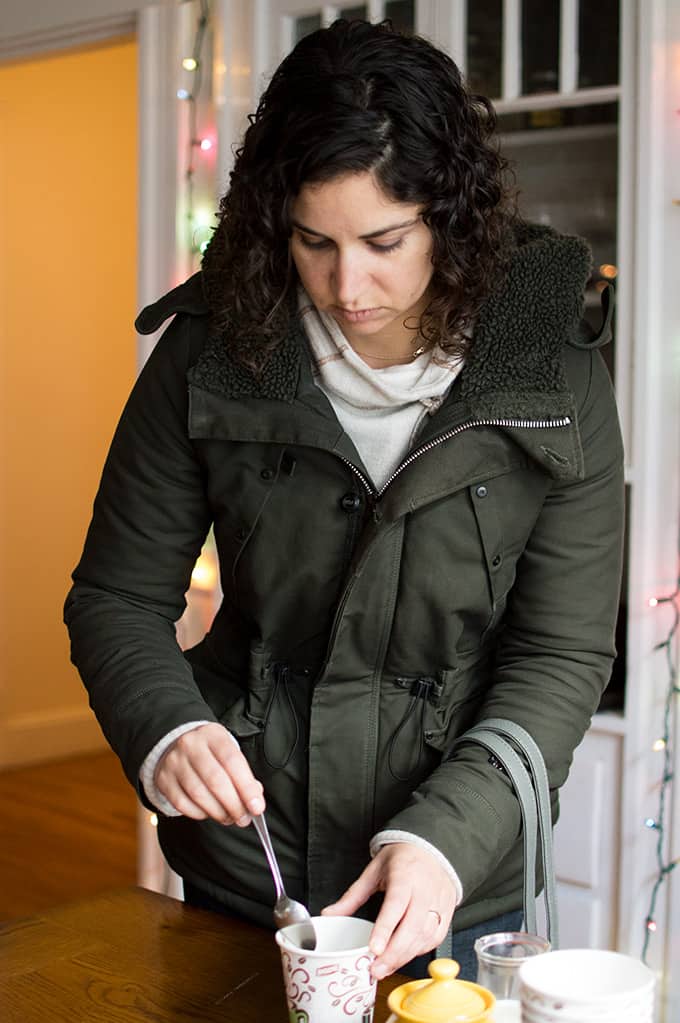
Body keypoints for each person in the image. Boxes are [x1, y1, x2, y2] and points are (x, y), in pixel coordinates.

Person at [64, 18, 624, 983]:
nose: (346, 285)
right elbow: (116, 597)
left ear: (450, 215)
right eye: (312, 240)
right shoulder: (210, 349)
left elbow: (562, 650)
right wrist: (167, 726)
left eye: (383, 240)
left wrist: (450, 840)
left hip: (456, 884)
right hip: (252, 869)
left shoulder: (553, 366)